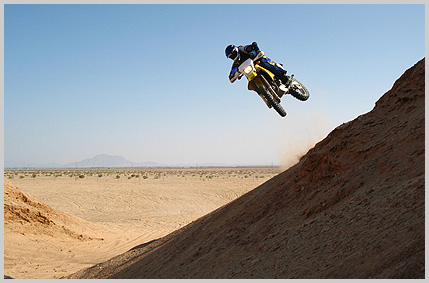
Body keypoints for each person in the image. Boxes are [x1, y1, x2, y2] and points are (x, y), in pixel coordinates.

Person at [225, 42, 289, 85]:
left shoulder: (242, 49)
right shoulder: (235, 63)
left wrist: (256, 49)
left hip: (257, 59)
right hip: (251, 70)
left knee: (263, 63)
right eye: (231, 57)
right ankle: (265, 95)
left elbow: (251, 47)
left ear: (236, 50)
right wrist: (232, 76)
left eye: (233, 54)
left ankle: (283, 75)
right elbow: (232, 72)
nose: (233, 57)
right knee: (250, 80)